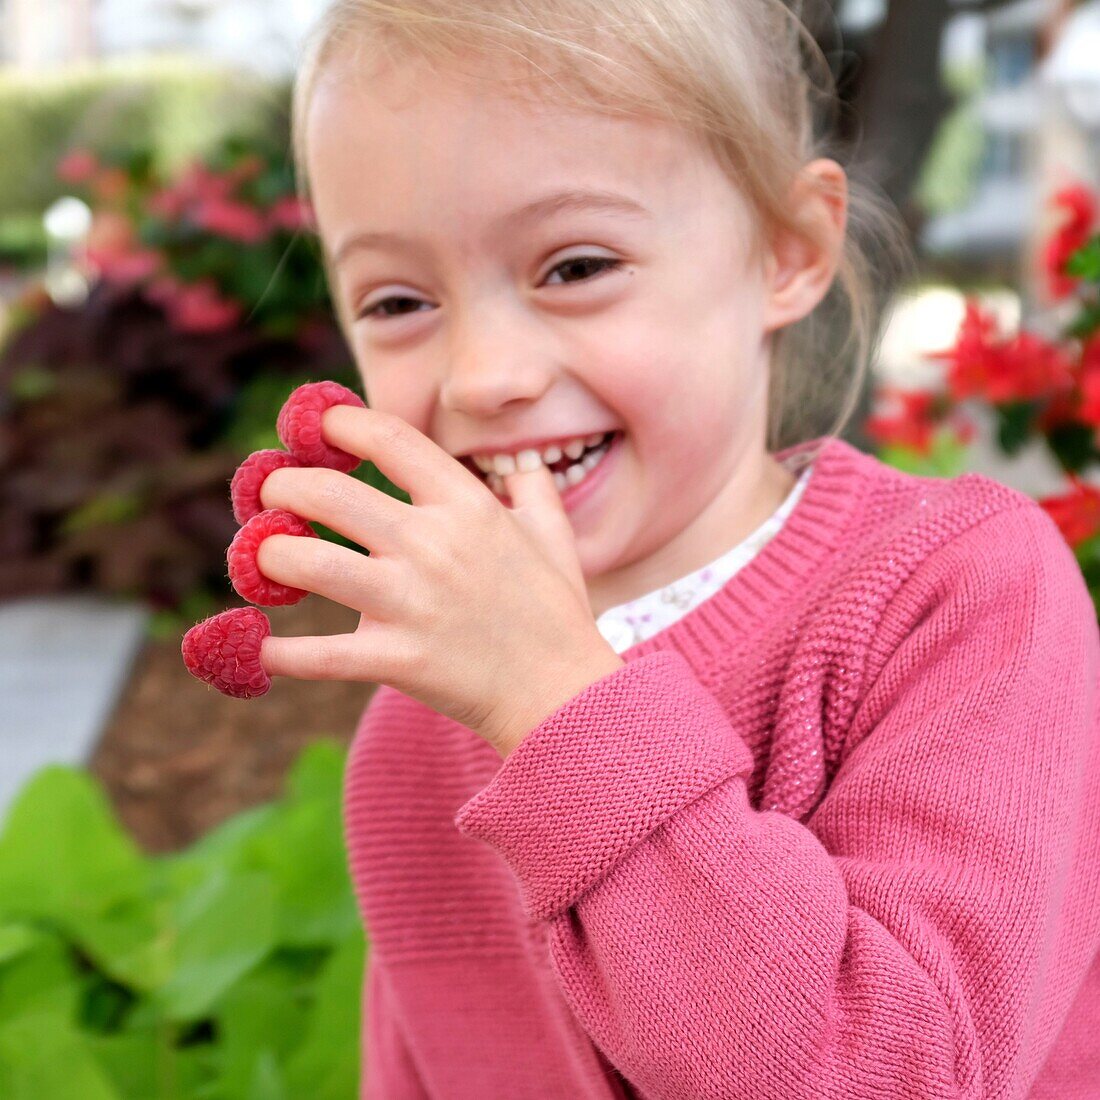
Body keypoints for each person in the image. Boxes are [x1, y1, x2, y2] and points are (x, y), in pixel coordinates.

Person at [258, 0, 1100, 1095]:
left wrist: (558, 709)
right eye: (400, 299)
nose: (482, 375)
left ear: (785, 252)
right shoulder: (416, 735)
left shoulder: (952, 593)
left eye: (575, 266)